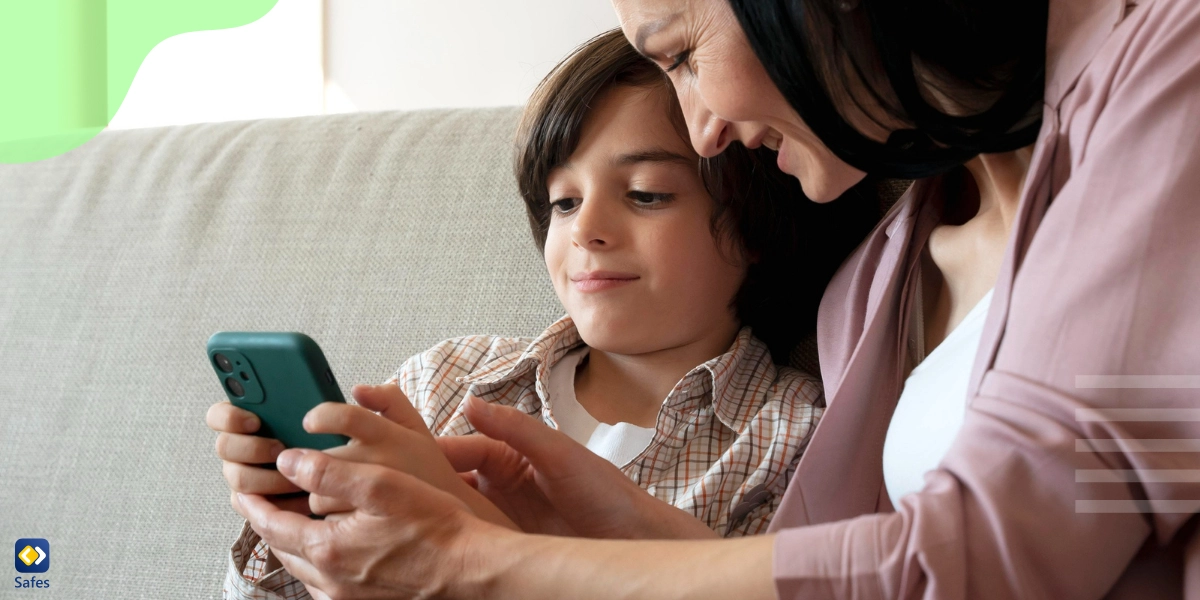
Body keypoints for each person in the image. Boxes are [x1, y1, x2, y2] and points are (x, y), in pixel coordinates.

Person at [232, 0, 1200, 597]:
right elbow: (842, 575)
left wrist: (475, 567)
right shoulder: (873, 288)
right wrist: (575, 533)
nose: (701, 132)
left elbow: (977, 565)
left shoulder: (1170, 71)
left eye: (684, 55)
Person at [208, 29, 879, 600]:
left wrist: (470, 541)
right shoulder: (443, 382)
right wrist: (292, 509)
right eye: (561, 202)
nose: (586, 228)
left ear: (755, 224)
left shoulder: (794, 440)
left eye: (645, 195)